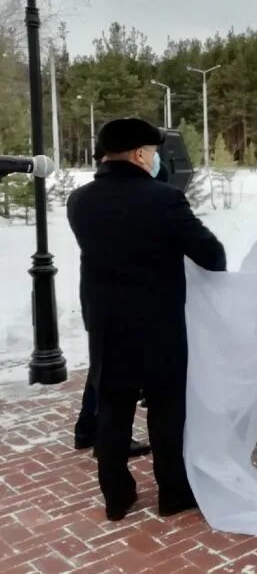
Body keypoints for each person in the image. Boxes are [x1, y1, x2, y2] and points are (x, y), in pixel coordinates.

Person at [67, 118, 226, 522]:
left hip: (106, 321)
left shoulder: (80, 201)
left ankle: (117, 496)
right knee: (167, 407)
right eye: (154, 153)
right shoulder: (164, 200)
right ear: (140, 154)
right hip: (159, 322)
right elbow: (211, 254)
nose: (156, 160)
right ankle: (172, 491)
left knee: (113, 405)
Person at [72, 141, 151, 458]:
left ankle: (88, 428)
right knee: (114, 371)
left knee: (103, 367)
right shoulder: (116, 199)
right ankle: (103, 435)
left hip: (98, 296)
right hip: (121, 298)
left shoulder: (88, 197)